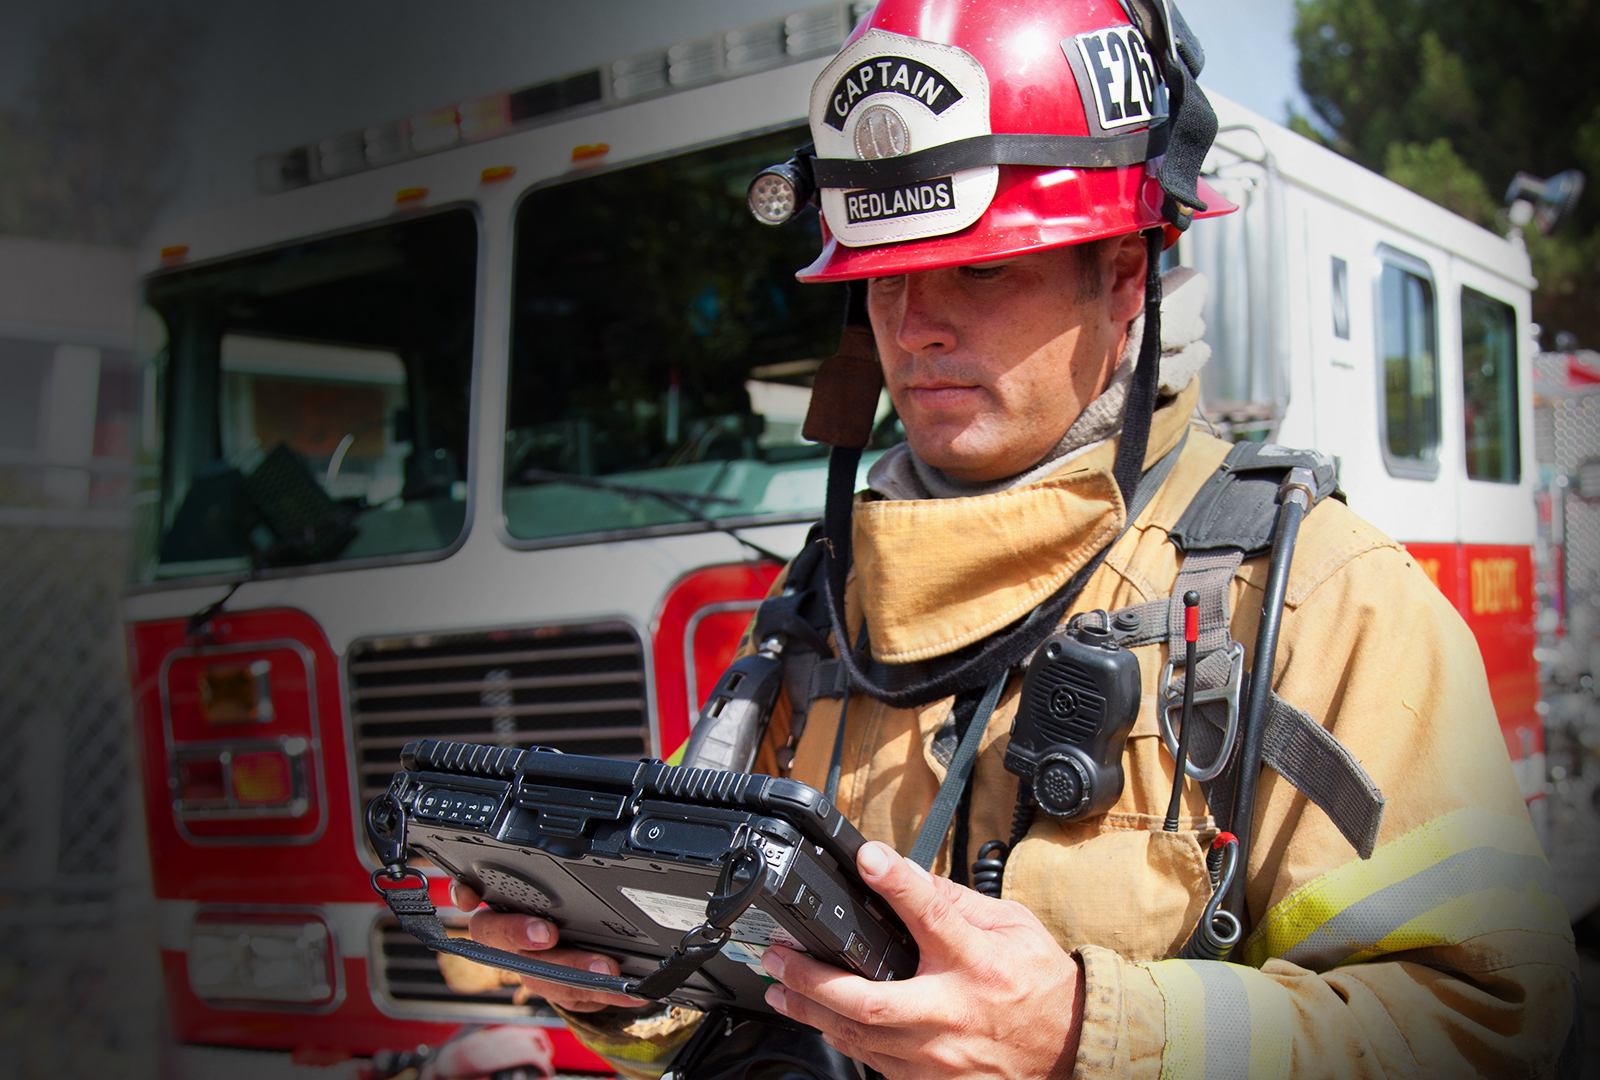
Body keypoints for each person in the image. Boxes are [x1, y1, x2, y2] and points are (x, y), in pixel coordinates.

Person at [457, 1, 1580, 1076]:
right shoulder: (820, 605)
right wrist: (622, 987)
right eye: (882, 277)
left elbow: (1491, 1028)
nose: (916, 324)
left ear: (1124, 277)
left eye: (981, 268)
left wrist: (1086, 1032)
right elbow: (735, 1008)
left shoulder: (1316, 601)